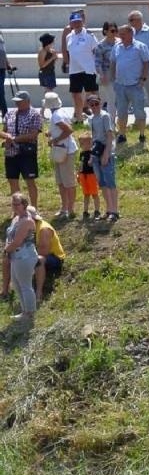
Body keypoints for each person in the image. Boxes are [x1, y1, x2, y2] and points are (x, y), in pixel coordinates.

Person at [110, 26, 149, 147]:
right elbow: (112, 62)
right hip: (120, 85)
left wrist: (143, 78)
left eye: (123, 34)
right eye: (120, 34)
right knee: (121, 112)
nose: (120, 36)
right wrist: (113, 78)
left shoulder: (140, 47)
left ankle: (142, 134)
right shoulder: (116, 47)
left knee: (139, 112)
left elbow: (147, 62)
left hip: (135, 85)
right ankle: (122, 135)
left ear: (130, 34)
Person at [41, 92, 77, 221]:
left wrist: (55, 140)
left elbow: (68, 130)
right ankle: (65, 208)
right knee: (62, 181)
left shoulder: (56, 116)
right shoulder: (61, 112)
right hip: (62, 150)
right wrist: (52, 132)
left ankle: (69, 209)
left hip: (63, 150)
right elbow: (67, 127)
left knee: (67, 182)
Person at [4, 195, 38, 322]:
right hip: (15, 256)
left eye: (17, 204)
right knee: (17, 284)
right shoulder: (16, 219)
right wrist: (8, 249)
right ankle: (24, 311)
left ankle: (30, 313)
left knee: (25, 285)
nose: (14, 206)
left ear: (24, 204)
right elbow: (10, 237)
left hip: (25, 256)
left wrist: (6, 250)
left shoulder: (27, 221)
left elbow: (18, 241)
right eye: (13, 204)